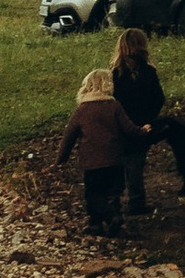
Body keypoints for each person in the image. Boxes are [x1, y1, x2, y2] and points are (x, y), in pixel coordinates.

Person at [55, 66, 132, 239]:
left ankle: (100, 222)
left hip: (92, 162)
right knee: (113, 193)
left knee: (93, 194)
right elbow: (128, 128)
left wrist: (61, 158)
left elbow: (69, 136)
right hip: (114, 159)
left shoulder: (82, 109)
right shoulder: (114, 106)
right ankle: (113, 220)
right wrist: (143, 131)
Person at [109, 28, 165, 218]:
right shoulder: (148, 72)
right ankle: (136, 201)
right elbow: (159, 99)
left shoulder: (114, 75)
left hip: (119, 127)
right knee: (135, 164)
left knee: (117, 165)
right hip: (141, 126)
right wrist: (148, 119)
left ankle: (114, 201)